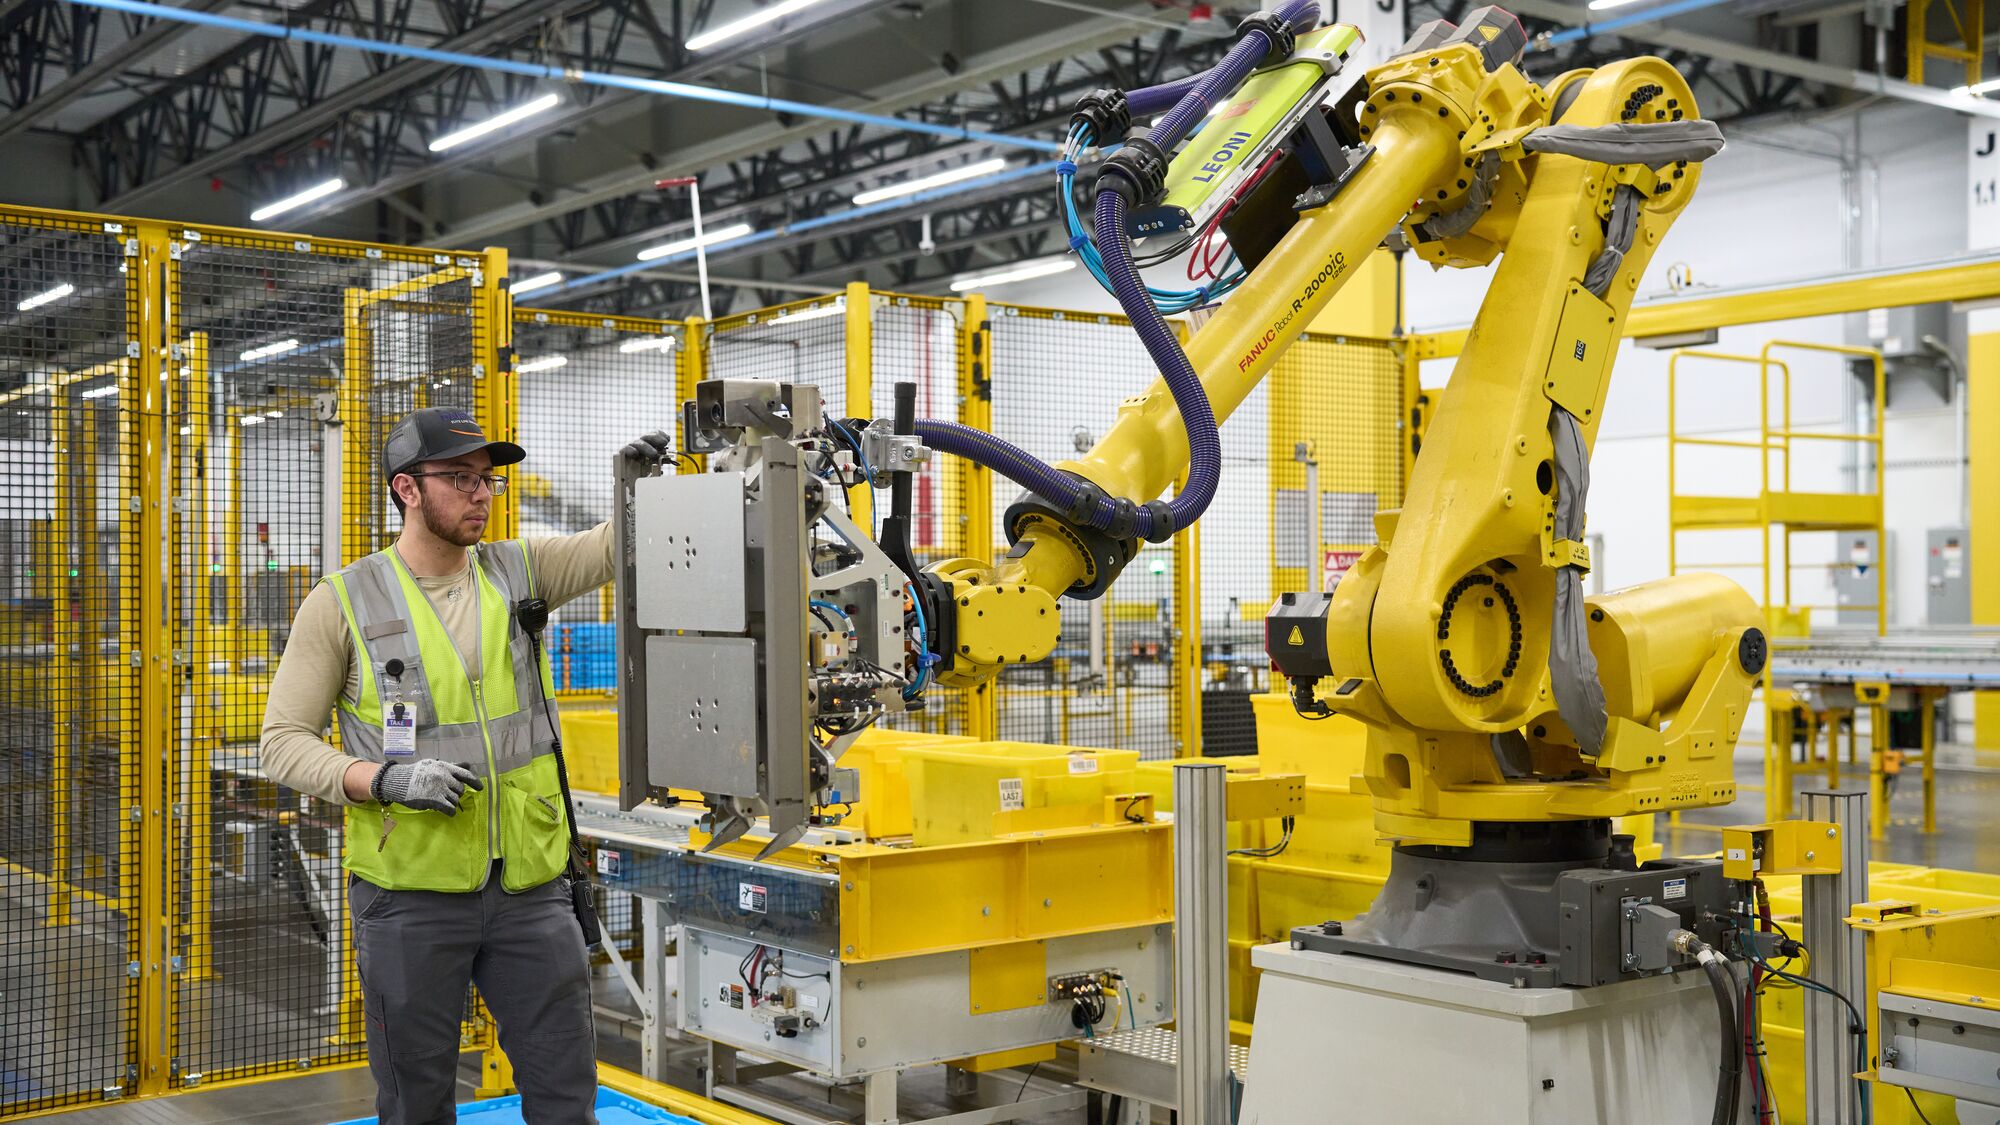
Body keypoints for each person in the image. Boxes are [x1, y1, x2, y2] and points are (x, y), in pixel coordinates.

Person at [259, 405, 667, 1124]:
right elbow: (283, 741)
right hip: (408, 893)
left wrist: (634, 490)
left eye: (486, 480)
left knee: (567, 1090)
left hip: (532, 884)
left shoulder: (519, 570)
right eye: (459, 478)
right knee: (416, 1101)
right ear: (406, 489)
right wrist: (383, 779)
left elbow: (615, 547)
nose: (480, 494)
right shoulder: (342, 602)